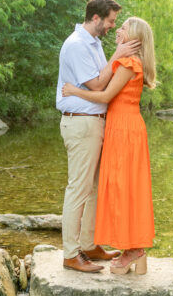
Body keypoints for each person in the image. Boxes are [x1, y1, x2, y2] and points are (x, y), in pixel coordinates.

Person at [62, 16, 156, 276]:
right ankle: (132, 250)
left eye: (123, 27)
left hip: (124, 129)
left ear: (134, 37)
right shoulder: (126, 60)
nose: (118, 30)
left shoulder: (128, 63)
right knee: (122, 188)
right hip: (121, 127)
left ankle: (133, 250)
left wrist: (73, 90)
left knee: (124, 189)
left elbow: (104, 95)